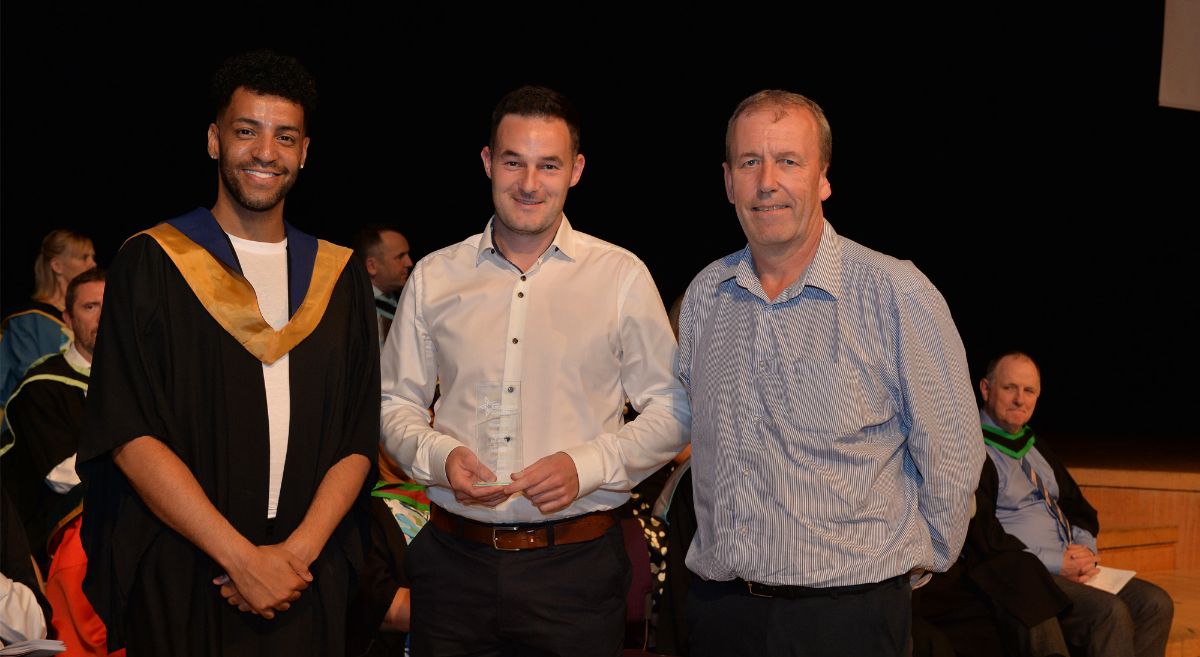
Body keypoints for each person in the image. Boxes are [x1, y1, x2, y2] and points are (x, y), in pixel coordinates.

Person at [76, 50, 378, 656]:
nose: (265, 152)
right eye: (247, 131)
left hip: (305, 576)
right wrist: (240, 558)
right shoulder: (153, 262)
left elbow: (356, 436)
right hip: (187, 570)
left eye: (284, 136)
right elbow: (128, 429)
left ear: (304, 151)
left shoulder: (339, 276)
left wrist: (290, 558)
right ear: (215, 141)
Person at [380, 85, 690, 657]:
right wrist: (440, 459)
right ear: (486, 162)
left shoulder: (619, 276)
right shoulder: (434, 276)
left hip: (575, 573)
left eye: (548, 165)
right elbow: (394, 405)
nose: (529, 183)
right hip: (451, 568)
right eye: (513, 162)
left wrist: (586, 465)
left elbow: (673, 410)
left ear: (576, 170)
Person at [677, 90, 984, 657]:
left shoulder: (895, 293)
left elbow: (955, 458)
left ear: (823, 178)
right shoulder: (705, 297)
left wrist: (901, 570)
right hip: (721, 617)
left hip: (848, 621)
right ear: (728, 182)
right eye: (750, 162)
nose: (767, 181)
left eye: (789, 161)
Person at [976, 351, 1173, 657]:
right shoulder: (973, 451)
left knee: (1155, 604)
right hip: (1027, 571)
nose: (1020, 399)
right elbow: (983, 536)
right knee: (1109, 612)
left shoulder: (1034, 446)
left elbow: (1076, 505)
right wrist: (1057, 562)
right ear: (986, 389)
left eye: (1029, 391)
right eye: (1009, 388)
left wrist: (1084, 552)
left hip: (1071, 564)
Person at [2, 268, 121, 655]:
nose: (103, 316)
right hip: (60, 542)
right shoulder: (42, 386)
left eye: (110, 305)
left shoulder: (141, 380)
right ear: (68, 320)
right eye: (91, 306)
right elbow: (64, 476)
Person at [0, 229, 96, 408]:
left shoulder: (93, 317)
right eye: (84, 257)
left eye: (92, 257)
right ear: (57, 266)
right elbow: (30, 379)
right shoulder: (28, 321)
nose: (93, 264)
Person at [353, 224, 413, 345]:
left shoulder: (409, 301)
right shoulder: (353, 310)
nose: (409, 263)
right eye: (400, 256)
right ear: (372, 266)